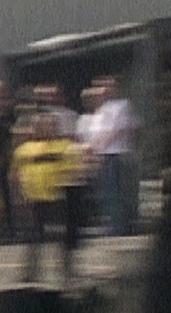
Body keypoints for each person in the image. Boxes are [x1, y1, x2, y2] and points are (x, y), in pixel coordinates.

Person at [12, 110, 83, 283]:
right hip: (33, 199)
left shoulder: (65, 147)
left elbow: (74, 171)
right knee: (33, 237)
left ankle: (67, 272)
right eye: (43, 125)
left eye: (51, 125)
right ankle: (31, 273)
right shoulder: (24, 150)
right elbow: (15, 174)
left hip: (57, 198)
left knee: (60, 236)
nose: (47, 128)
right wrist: (17, 195)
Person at [85, 76, 135, 236]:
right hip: (103, 155)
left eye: (108, 87)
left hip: (115, 154)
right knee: (107, 192)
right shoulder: (101, 110)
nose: (104, 91)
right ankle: (111, 223)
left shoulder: (121, 105)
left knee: (115, 192)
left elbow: (115, 130)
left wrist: (97, 147)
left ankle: (119, 226)